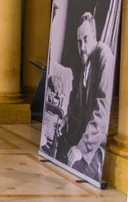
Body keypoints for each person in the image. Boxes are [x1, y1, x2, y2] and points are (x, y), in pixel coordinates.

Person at [55, 12, 114, 181]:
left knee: (70, 164)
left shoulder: (104, 56)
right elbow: (78, 104)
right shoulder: (86, 62)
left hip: (96, 145)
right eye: (79, 42)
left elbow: (102, 113)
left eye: (86, 39)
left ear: (94, 36)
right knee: (59, 151)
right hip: (85, 135)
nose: (81, 47)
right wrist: (67, 118)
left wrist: (81, 148)